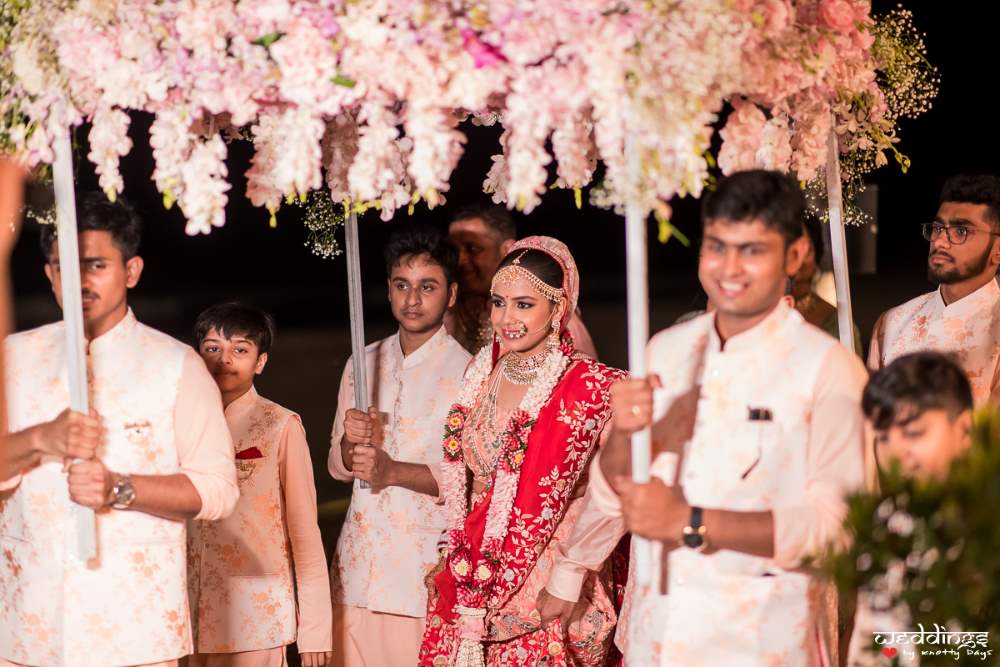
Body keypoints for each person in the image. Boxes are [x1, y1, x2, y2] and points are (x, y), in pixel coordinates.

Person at [544, 170, 869, 666]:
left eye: (752, 250)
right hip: (658, 630)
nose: (729, 268)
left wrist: (693, 523)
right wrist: (626, 437)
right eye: (717, 247)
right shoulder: (666, 351)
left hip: (760, 639)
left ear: (796, 256)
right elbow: (615, 490)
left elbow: (839, 529)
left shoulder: (826, 367)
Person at [0, 193, 239, 667]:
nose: (80, 280)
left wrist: (119, 488)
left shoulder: (176, 365)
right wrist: (37, 440)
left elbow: (218, 490)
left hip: (137, 631)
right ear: (50, 274)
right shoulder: (14, 357)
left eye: (96, 266)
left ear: (131, 271)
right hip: (30, 627)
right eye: (64, 266)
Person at [419, 236, 627, 667]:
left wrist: (571, 572)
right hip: (472, 575)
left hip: (549, 582)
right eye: (499, 302)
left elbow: (624, 486)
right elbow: (467, 479)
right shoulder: (480, 376)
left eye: (524, 304)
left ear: (559, 307)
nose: (506, 318)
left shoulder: (595, 387)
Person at [327, 226, 471, 667]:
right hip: (357, 567)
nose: (412, 299)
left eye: (427, 287)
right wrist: (352, 445)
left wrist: (392, 471)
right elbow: (338, 464)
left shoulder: (471, 373)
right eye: (401, 285)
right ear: (388, 290)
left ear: (450, 294)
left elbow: (472, 479)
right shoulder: (363, 359)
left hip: (420, 572)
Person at [186, 304, 332, 667]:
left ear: (260, 361)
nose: (224, 360)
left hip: (256, 618)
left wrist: (315, 629)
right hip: (184, 616)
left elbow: (305, 534)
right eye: (213, 347)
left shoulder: (280, 426)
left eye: (240, 349)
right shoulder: (177, 424)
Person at [846, 351, 974, 667]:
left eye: (914, 433)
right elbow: (871, 641)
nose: (897, 452)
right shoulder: (886, 522)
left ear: (964, 429)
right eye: (884, 437)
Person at [869, 174, 1000, 406]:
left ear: (997, 249)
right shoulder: (892, 322)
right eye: (938, 227)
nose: (939, 241)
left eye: (961, 231)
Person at [446, 204, 598, 358]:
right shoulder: (457, 308)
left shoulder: (552, 316)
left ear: (507, 249)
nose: (461, 260)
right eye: (454, 251)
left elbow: (582, 377)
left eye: (473, 249)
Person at [792, 213, 862, 352]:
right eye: (789, 249)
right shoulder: (754, 314)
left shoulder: (839, 323)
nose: (797, 259)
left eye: (807, 250)